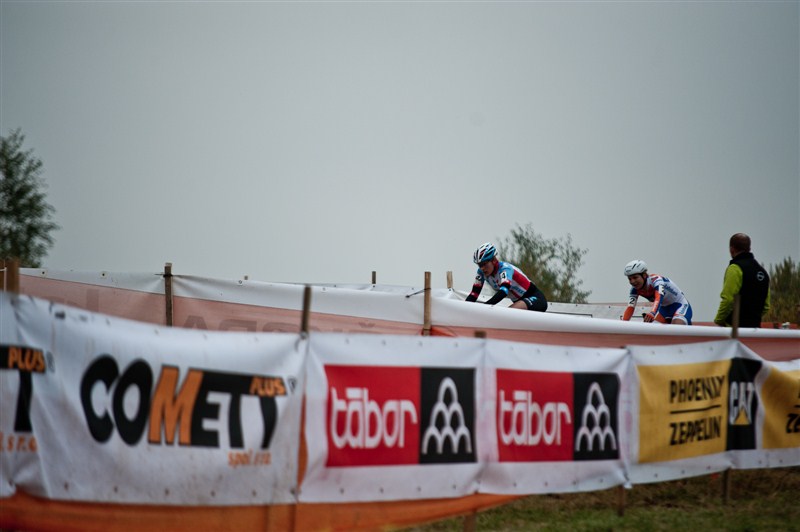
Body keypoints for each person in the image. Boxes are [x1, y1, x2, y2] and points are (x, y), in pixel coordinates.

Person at [464, 242, 547, 311]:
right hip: (519, 301)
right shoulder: (481, 272)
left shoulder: (505, 269)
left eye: (484, 264)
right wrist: (464, 309)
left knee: (508, 312)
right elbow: (474, 294)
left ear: (494, 260)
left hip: (535, 298)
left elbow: (503, 292)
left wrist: (484, 308)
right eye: (480, 265)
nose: (482, 268)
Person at [714, 233, 770, 328]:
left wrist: (719, 320)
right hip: (755, 330)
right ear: (749, 248)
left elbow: (728, 300)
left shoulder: (735, 269)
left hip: (734, 329)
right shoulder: (763, 272)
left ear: (732, 249)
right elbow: (766, 306)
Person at [621, 260, 692, 325]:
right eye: (629, 279)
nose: (632, 281)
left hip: (680, 306)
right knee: (652, 332)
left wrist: (652, 313)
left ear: (644, 275)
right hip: (664, 310)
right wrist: (623, 324)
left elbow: (659, 297)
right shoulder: (634, 289)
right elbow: (630, 307)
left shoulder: (657, 281)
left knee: (676, 328)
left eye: (635, 277)